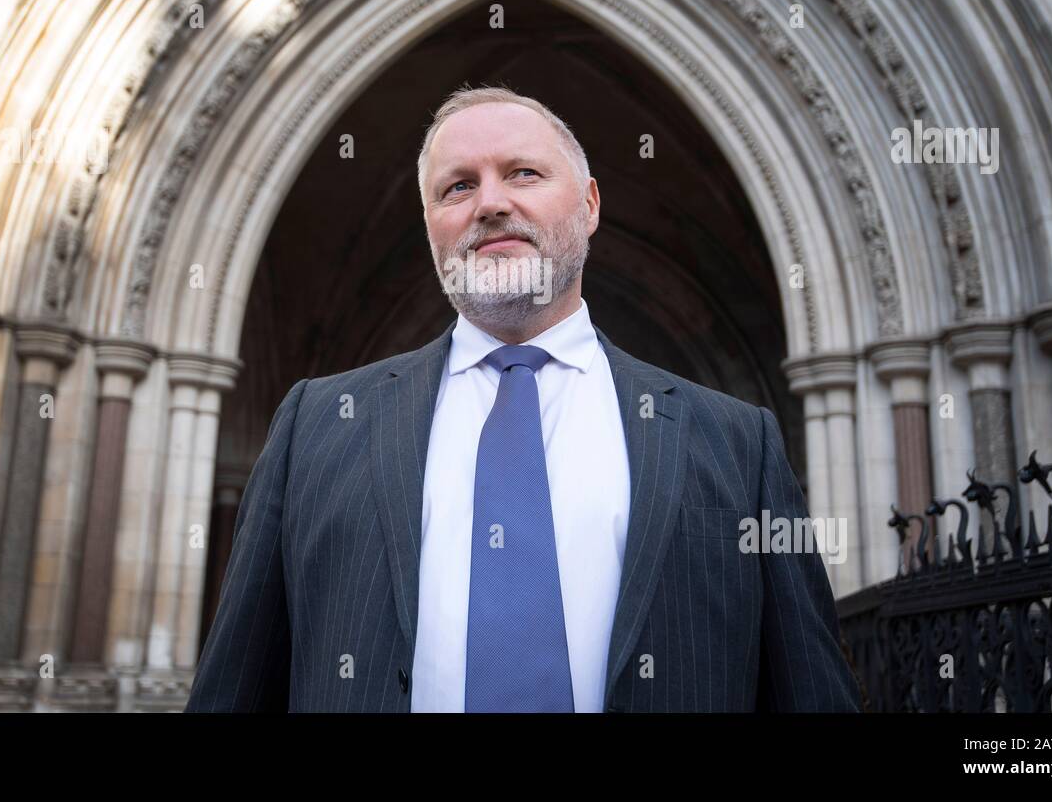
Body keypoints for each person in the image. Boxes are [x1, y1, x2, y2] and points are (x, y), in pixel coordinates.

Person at [185, 86, 862, 712]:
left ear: (590, 204)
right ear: (431, 226)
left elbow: (809, 691)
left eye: (523, 173)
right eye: (457, 187)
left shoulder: (738, 442)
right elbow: (236, 687)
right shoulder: (317, 426)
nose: (490, 203)